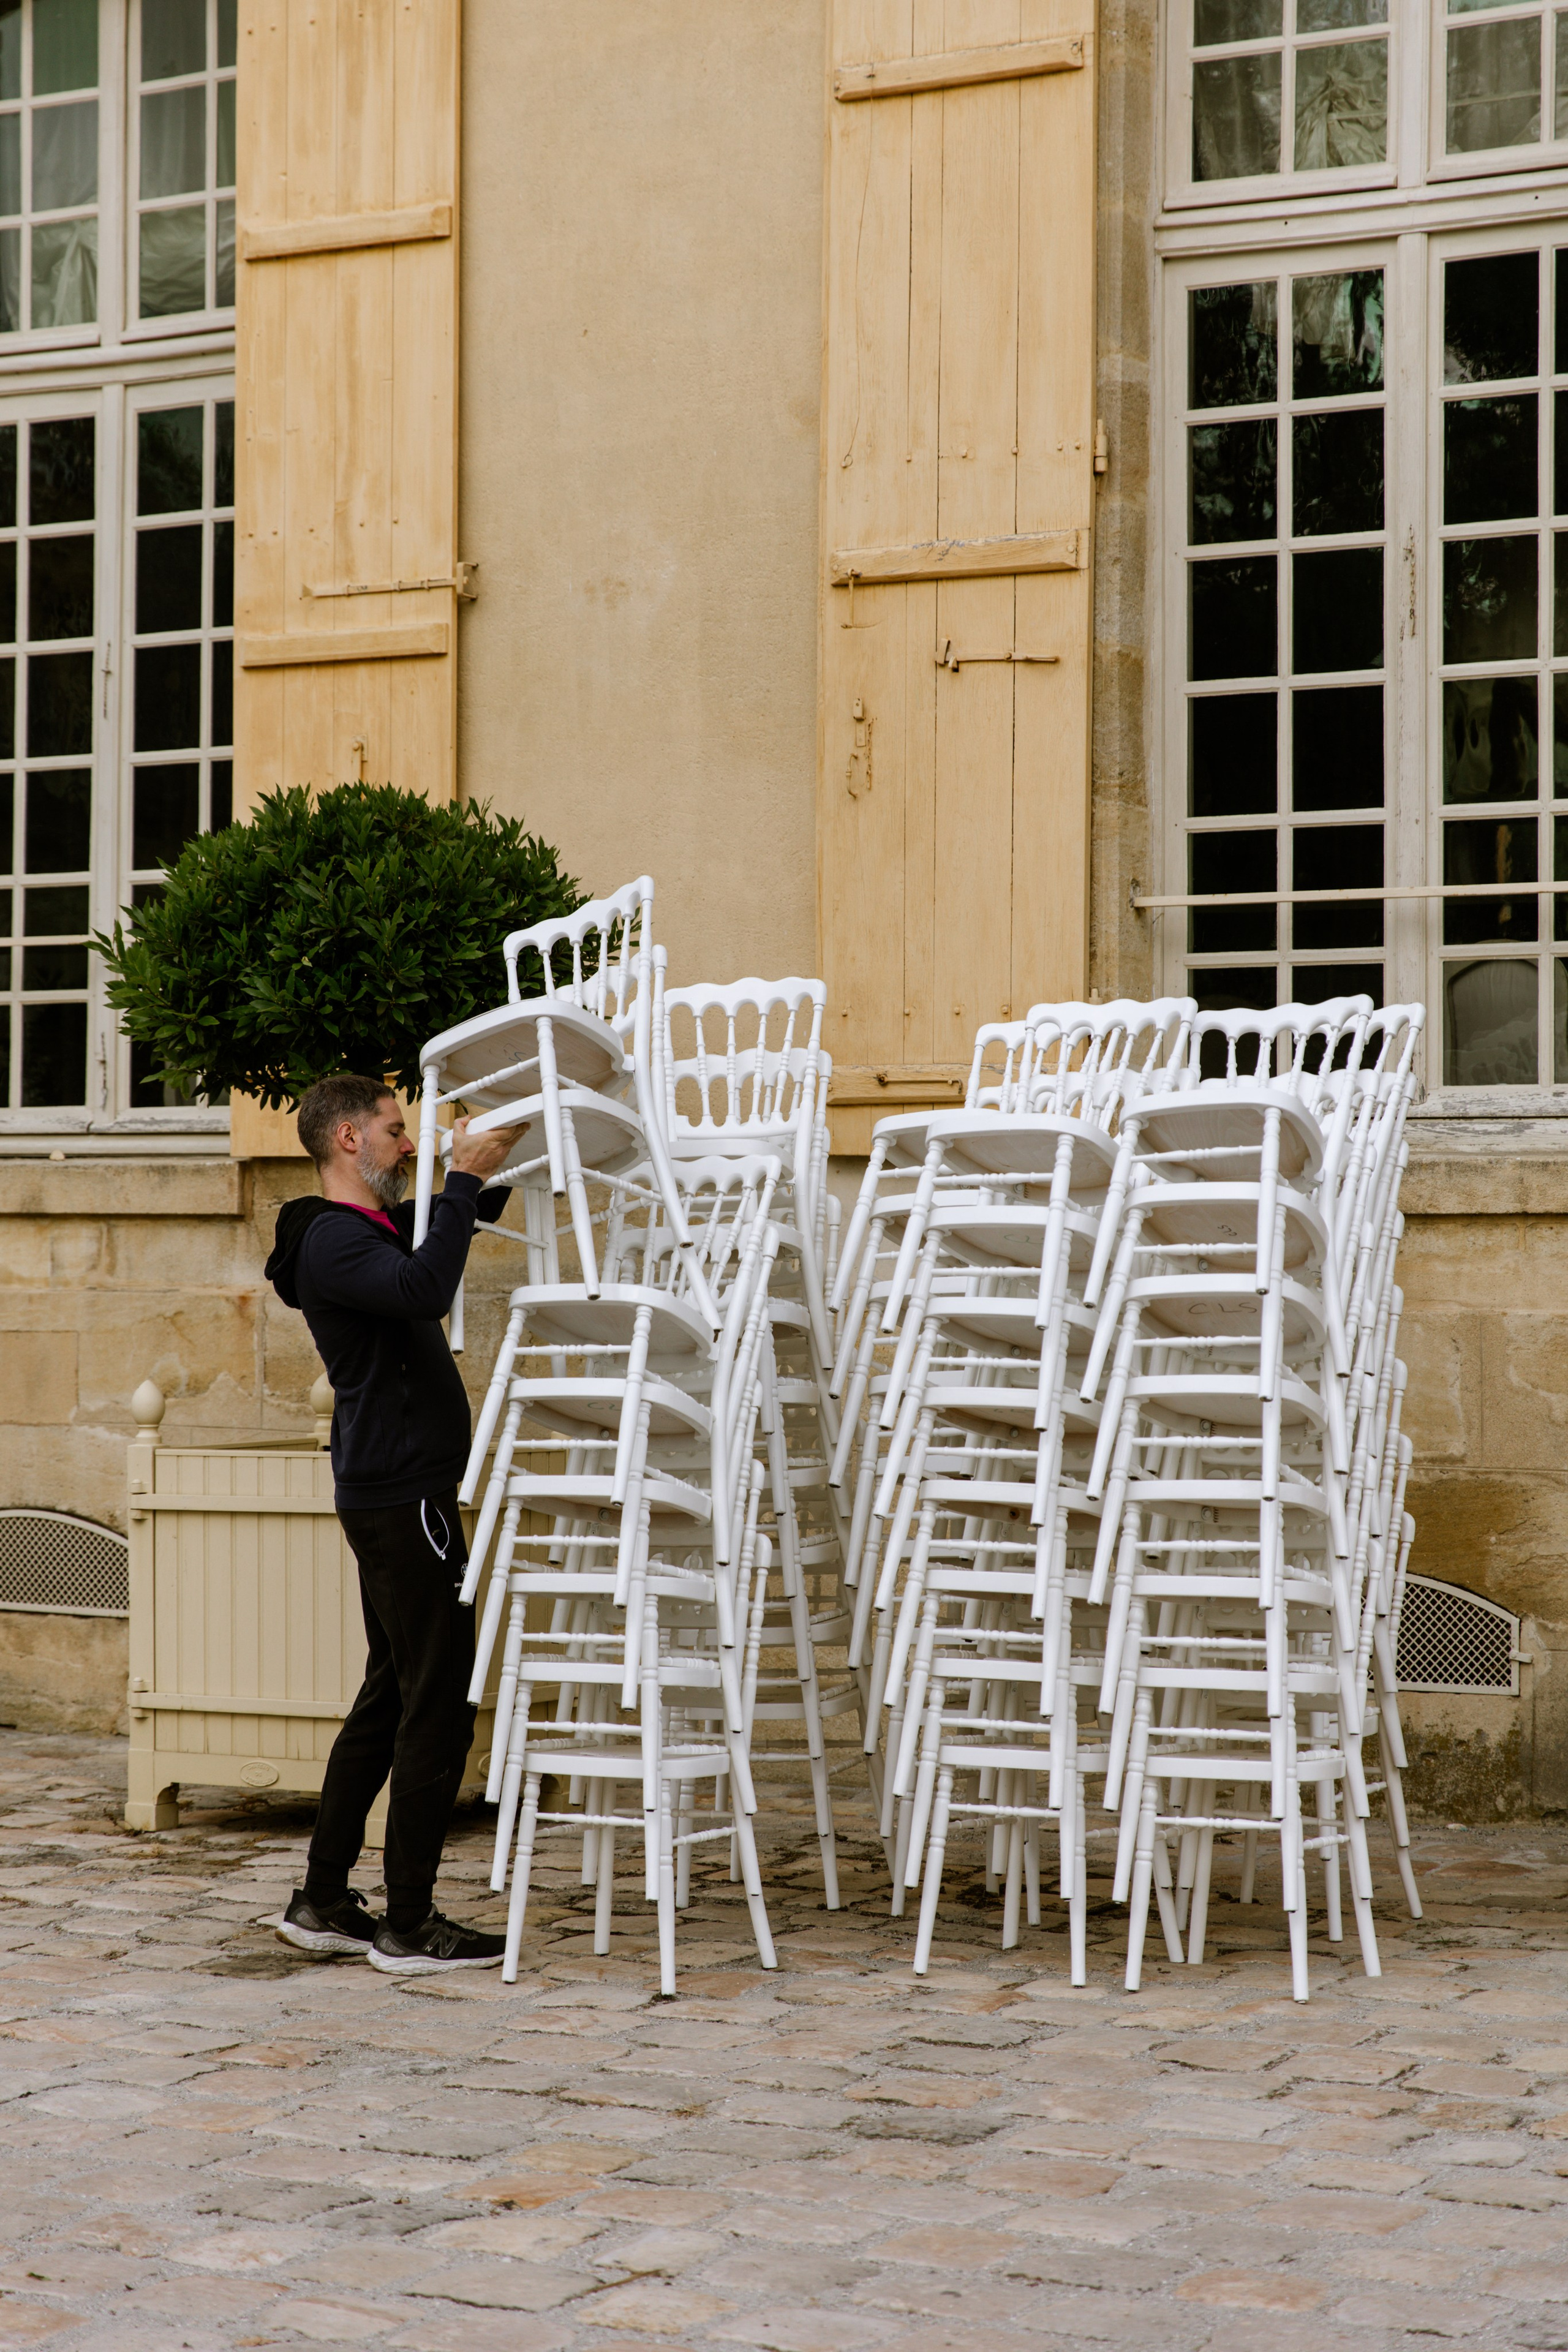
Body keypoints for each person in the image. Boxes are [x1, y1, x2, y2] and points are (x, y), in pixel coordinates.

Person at [263, 1072, 521, 1975]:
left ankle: (325, 1899)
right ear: (346, 1140)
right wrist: (455, 1190)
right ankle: (410, 1922)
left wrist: (480, 1169)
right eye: (393, 1130)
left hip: (393, 1490)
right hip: (403, 1496)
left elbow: (443, 1238)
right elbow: (424, 1288)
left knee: (388, 1693)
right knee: (439, 1701)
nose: (406, 1145)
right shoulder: (334, 1239)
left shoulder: (362, 1232)